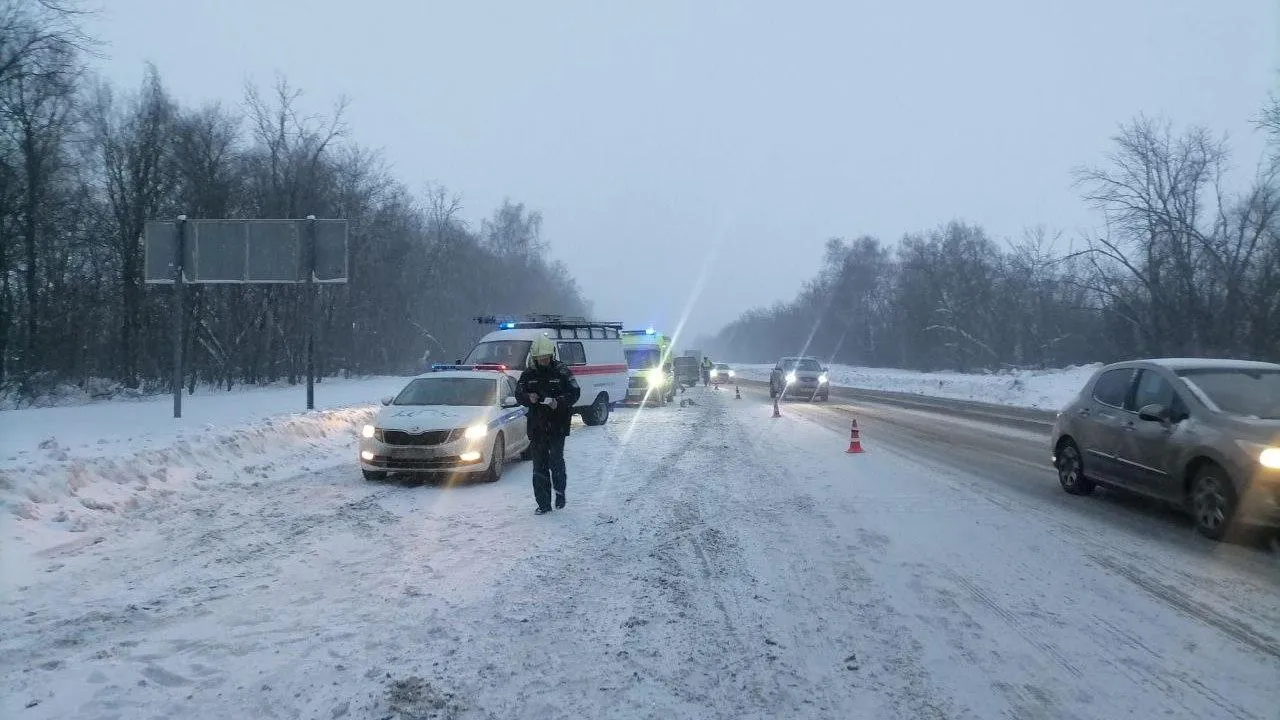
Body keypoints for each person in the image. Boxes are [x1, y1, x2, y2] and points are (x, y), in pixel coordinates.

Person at [516, 335, 581, 514]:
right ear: (534, 358)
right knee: (539, 467)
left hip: (557, 426)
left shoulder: (562, 371)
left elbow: (575, 393)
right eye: (540, 358)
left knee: (556, 462)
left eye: (546, 357)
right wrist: (528, 397)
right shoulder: (528, 374)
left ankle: (560, 494)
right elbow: (518, 393)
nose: (543, 361)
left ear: (551, 356)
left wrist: (558, 402)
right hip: (536, 427)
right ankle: (543, 504)